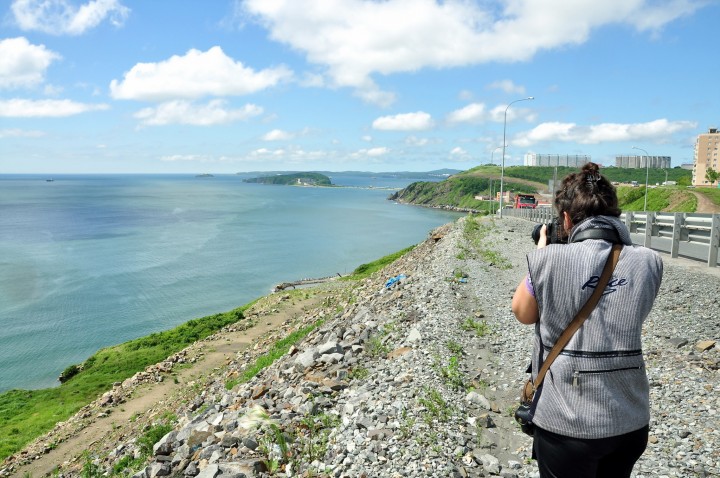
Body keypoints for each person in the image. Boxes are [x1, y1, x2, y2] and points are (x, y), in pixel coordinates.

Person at [511, 162, 663, 478]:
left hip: (568, 421)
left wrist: (543, 252)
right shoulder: (650, 261)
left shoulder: (549, 259)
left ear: (566, 218)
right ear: (615, 215)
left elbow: (523, 312)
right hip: (630, 417)